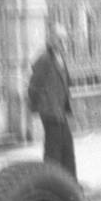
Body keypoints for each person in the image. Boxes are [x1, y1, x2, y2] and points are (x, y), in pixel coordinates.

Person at [28, 22, 76, 176]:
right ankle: (51, 184)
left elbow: (66, 83)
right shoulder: (44, 60)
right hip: (50, 112)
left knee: (67, 148)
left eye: (64, 40)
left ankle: (70, 185)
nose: (63, 43)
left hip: (60, 112)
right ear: (51, 40)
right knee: (53, 152)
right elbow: (33, 86)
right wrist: (39, 107)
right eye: (59, 40)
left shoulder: (60, 58)